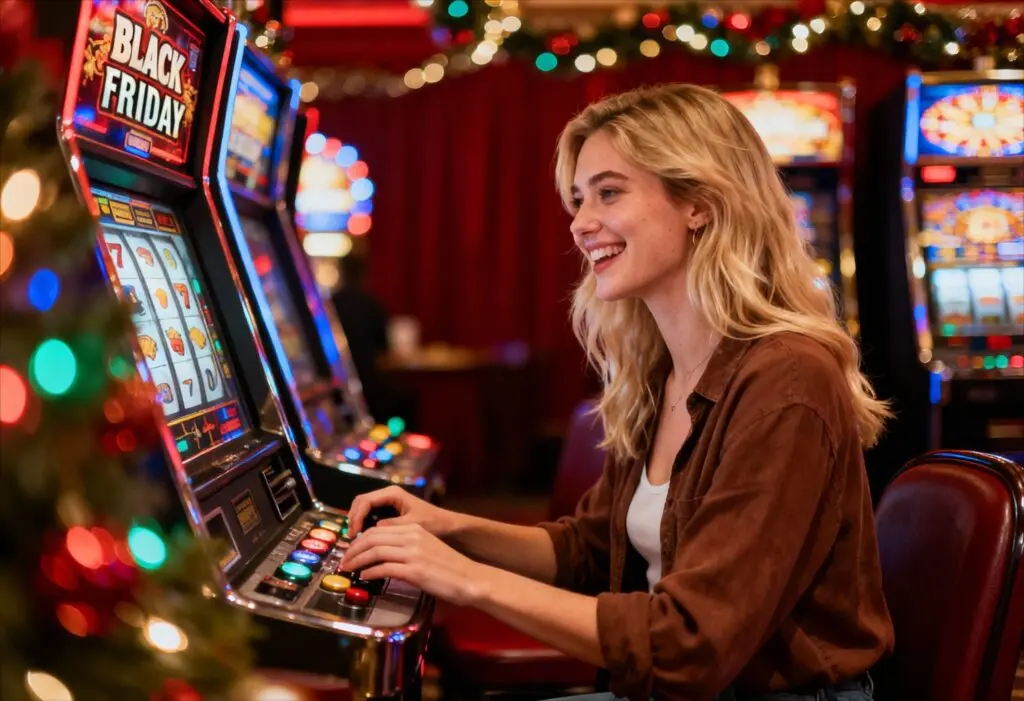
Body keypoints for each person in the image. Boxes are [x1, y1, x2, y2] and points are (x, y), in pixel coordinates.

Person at [339, 84, 894, 701]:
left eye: (609, 192)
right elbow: (589, 547)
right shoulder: (664, 369)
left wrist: (463, 578)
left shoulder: (786, 380)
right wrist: (448, 529)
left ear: (700, 203)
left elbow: (690, 645)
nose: (580, 224)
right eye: (578, 200)